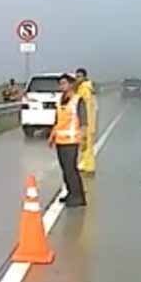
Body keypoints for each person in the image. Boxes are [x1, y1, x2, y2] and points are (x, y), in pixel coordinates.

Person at [48, 74, 87, 207]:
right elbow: (57, 121)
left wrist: (83, 138)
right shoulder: (60, 100)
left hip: (72, 141)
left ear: (70, 84)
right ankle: (71, 193)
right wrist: (52, 136)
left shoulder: (78, 100)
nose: (61, 86)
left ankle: (78, 197)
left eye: (64, 83)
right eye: (60, 84)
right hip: (60, 140)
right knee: (65, 169)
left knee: (71, 169)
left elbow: (83, 122)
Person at [75, 68, 98, 174]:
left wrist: (84, 122)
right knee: (84, 144)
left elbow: (85, 106)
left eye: (79, 76)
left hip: (87, 120)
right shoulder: (84, 87)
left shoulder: (85, 88)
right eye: (77, 76)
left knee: (87, 144)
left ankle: (89, 166)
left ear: (84, 77)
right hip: (86, 120)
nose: (77, 78)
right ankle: (85, 164)